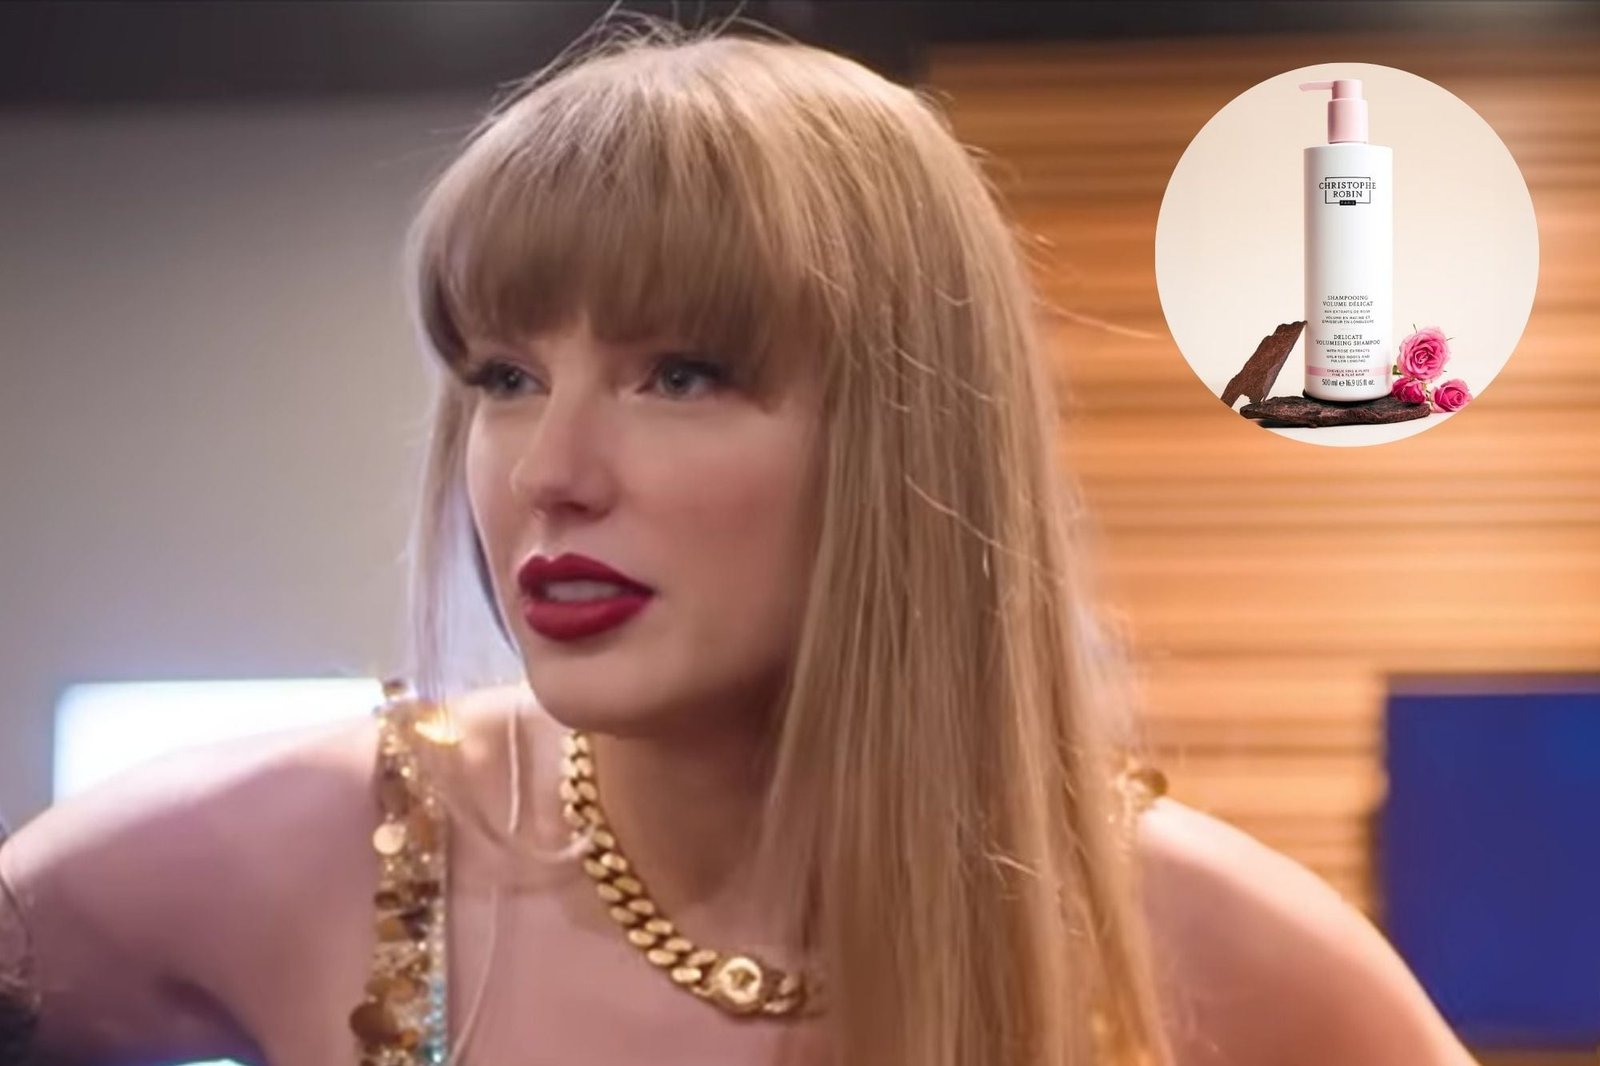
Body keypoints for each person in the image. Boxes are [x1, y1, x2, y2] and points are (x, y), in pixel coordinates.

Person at [0, 18, 1480, 1066]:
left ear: (904, 437)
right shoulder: (301, 855)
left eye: (682, 375)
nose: (552, 474)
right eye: (505, 375)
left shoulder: (1205, 953)